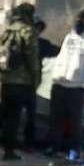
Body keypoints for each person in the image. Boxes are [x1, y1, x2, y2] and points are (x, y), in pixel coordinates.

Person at [0, 4, 41, 161]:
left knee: (0, 115)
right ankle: (9, 151)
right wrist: (35, 79)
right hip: (21, 82)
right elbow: (32, 59)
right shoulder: (28, 31)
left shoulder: (8, 30)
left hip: (6, 80)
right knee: (13, 119)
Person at [48, 10, 84, 156]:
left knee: (74, 121)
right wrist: (55, 76)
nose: (78, 23)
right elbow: (61, 57)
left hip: (76, 87)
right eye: (76, 20)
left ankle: (74, 149)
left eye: (81, 21)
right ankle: (54, 147)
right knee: (55, 119)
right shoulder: (69, 36)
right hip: (59, 83)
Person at [22, 18, 60, 150]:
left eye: (38, 29)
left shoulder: (40, 44)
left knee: (26, 116)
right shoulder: (39, 44)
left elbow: (58, 51)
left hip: (24, 85)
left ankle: (25, 143)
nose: (37, 31)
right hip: (25, 85)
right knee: (21, 115)